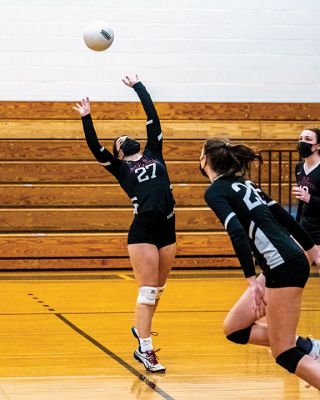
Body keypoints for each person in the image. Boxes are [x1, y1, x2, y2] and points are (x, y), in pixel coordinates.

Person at [73, 75, 176, 373]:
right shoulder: (120, 168)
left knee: (159, 289)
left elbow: (153, 118)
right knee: (146, 293)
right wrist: (87, 117)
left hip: (168, 229)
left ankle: (140, 328)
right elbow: (94, 147)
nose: (123, 139)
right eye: (118, 142)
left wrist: (139, 88)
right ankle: (145, 350)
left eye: (124, 138)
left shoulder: (155, 153)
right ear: (119, 153)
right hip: (143, 231)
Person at [199, 137, 320, 389]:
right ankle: (310, 348)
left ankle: (305, 351)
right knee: (235, 329)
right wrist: (312, 251)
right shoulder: (245, 183)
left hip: (282, 266)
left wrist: (251, 280)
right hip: (285, 261)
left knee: (284, 353)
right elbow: (286, 219)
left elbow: (236, 231)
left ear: (206, 160)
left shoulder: (215, 192)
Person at [292, 128, 320, 264]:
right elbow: (301, 202)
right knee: (300, 269)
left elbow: (307, 198)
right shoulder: (299, 167)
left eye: (308, 139)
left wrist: (310, 198)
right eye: (300, 138)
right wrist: (296, 226)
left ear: (317, 145)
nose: (302, 142)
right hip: (305, 226)